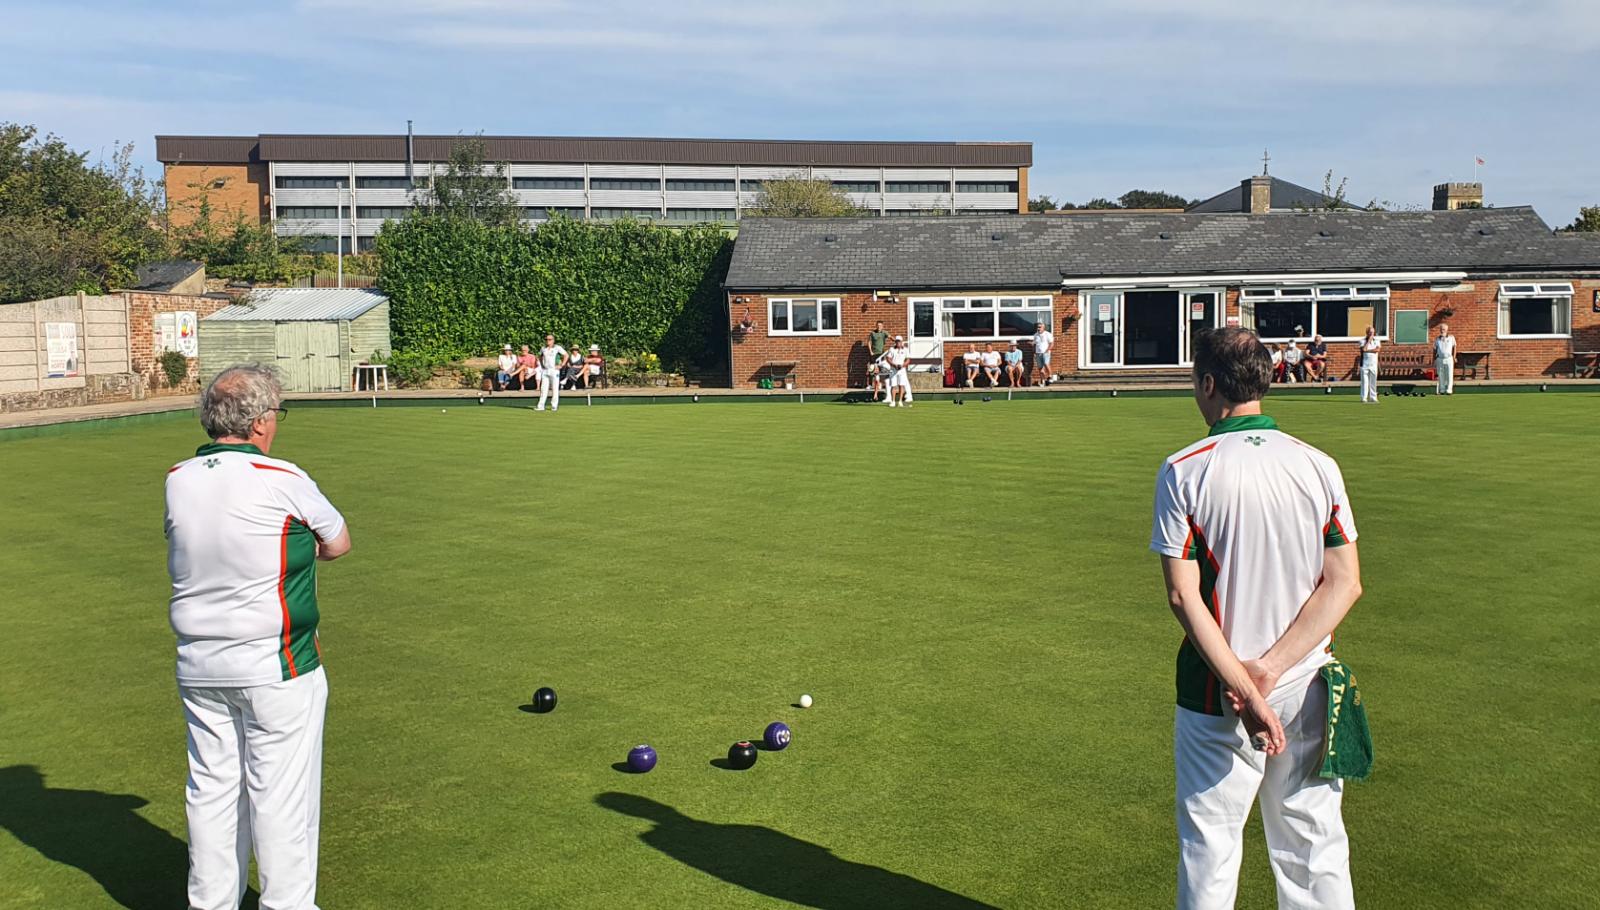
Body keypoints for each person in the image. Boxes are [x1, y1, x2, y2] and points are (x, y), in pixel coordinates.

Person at [1151, 328, 1364, 910]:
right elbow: (1345, 582)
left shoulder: (1184, 469)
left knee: (1210, 847)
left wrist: (1248, 684)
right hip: (1306, 680)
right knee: (1313, 845)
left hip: (1217, 692)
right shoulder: (1319, 465)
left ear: (1209, 383)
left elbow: (1182, 596)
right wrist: (1271, 671)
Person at [165, 365, 352, 910]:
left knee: (212, 792)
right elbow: (337, 543)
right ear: (263, 421)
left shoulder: (178, 478)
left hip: (199, 665)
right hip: (277, 666)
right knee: (281, 796)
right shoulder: (284, 477)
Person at [536, 334, 568, 411]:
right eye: (546, 339)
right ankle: (541, 406)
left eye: (550, 339)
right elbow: (540, 356)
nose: (548, 341)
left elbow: (566, 355)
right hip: (545, 370)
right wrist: (542, 365)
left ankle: (554, 406)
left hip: (554, 370)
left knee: (555, 388)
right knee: (543, 388)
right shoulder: (543, 348)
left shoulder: (557, 348)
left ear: (553, 340)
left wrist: (562, 365)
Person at [884, 336, 912, 407]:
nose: (898, 343)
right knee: (893, 385)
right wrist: (894, 365)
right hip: (893, 369)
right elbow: (888, 358)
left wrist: (903, 365)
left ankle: (900, 401)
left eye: (899, 341)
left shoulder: (905, 349)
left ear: (902, 342)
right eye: (897, 341)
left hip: (902, 370)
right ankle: (893, 401)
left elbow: (908, 360)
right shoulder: (892, 349)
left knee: (901, 385)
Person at [867, 321, 890, 400]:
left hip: (881, 354)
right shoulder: (872, 333)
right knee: (874, 372)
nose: (879, 327)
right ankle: (874, 392)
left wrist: (897, 342)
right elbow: (869, 342)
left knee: (885, 370)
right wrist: (870, 351)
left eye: (880, 325)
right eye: (877, 325)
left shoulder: (884, 333)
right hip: (874, 355)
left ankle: (884, 386)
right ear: (876, 326)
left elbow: (891, 337)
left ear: (882, 326)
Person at [1359, 325, 1381, 403]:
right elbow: (1363, 349)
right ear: (1367, 333)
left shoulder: (1377, 340)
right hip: (1364, 364)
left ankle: (1373, 397)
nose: (1372, 334)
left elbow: (1377, 350)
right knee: (1364, 382)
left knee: (1373, 382)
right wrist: (1368, 342)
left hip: (1373, 364)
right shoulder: (1362, 340)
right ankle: (1364, 397)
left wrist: (1368, 350)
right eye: (1370, 333)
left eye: (1373, 332)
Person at [1434, 323, 1456, 395]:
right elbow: (1434, 349)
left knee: (1449, 374)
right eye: (1441, 329)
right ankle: (1442, 389)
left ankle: (1449, 390)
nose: (1442, 331)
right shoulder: (1437, 339)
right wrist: (1434, 359)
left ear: (1447, 330)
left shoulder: (1451, 337)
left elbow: (1454, 347)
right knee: (1441, 374)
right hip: (1440, 358)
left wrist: (1454, 356)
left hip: (1449, 358)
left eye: (1443, 329)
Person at [1032, 321, 1054, 386]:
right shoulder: (1036, 335)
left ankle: (1050, 376)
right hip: (1038, 353)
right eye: (1037, 327)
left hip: (1045, 352)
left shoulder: (1048, 334)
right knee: (1040, 368)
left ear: (1043, 328)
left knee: (1046, 364)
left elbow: (1051, 343)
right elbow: (1035, 344)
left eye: (1040, 327)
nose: (1038, 328)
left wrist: (1047, 350)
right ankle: (1043, 381)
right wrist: (1034, 352)